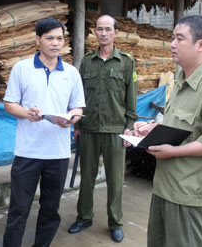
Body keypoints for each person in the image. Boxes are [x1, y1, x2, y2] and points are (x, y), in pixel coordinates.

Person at [134, 15, 202, 247]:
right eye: (172, 38)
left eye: (180, 38)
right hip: (165, 186)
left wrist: (172, 152)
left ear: (201, 45)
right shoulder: (180, 79)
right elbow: (180, 126)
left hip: (189, 193)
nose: (172, 44)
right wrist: (153, 128)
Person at [2, 17, 85, 247]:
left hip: (57, 154)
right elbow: (9, 104)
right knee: (18, 210)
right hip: (27, 152)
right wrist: (27, 113)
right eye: (50, 38)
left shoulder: (71, 73)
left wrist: (72, 119)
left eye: (60, 38)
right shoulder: (22, 68)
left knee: (51, 209)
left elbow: (77, 107)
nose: (56, 43)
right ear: (37, 40)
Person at [68, 15, 137, 243]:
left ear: (116, 32)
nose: (103, 33)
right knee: (86, 177)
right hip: (88, 129)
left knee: (115, 181)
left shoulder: (126, 62)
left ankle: (115, 222)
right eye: (99, 29)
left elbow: (131, 99)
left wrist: (129, 127)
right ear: (94, 32)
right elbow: (79, 97)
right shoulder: (87, 61)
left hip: (115, 131)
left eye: (108, 29)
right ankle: (84, 217)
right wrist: (77, 125)